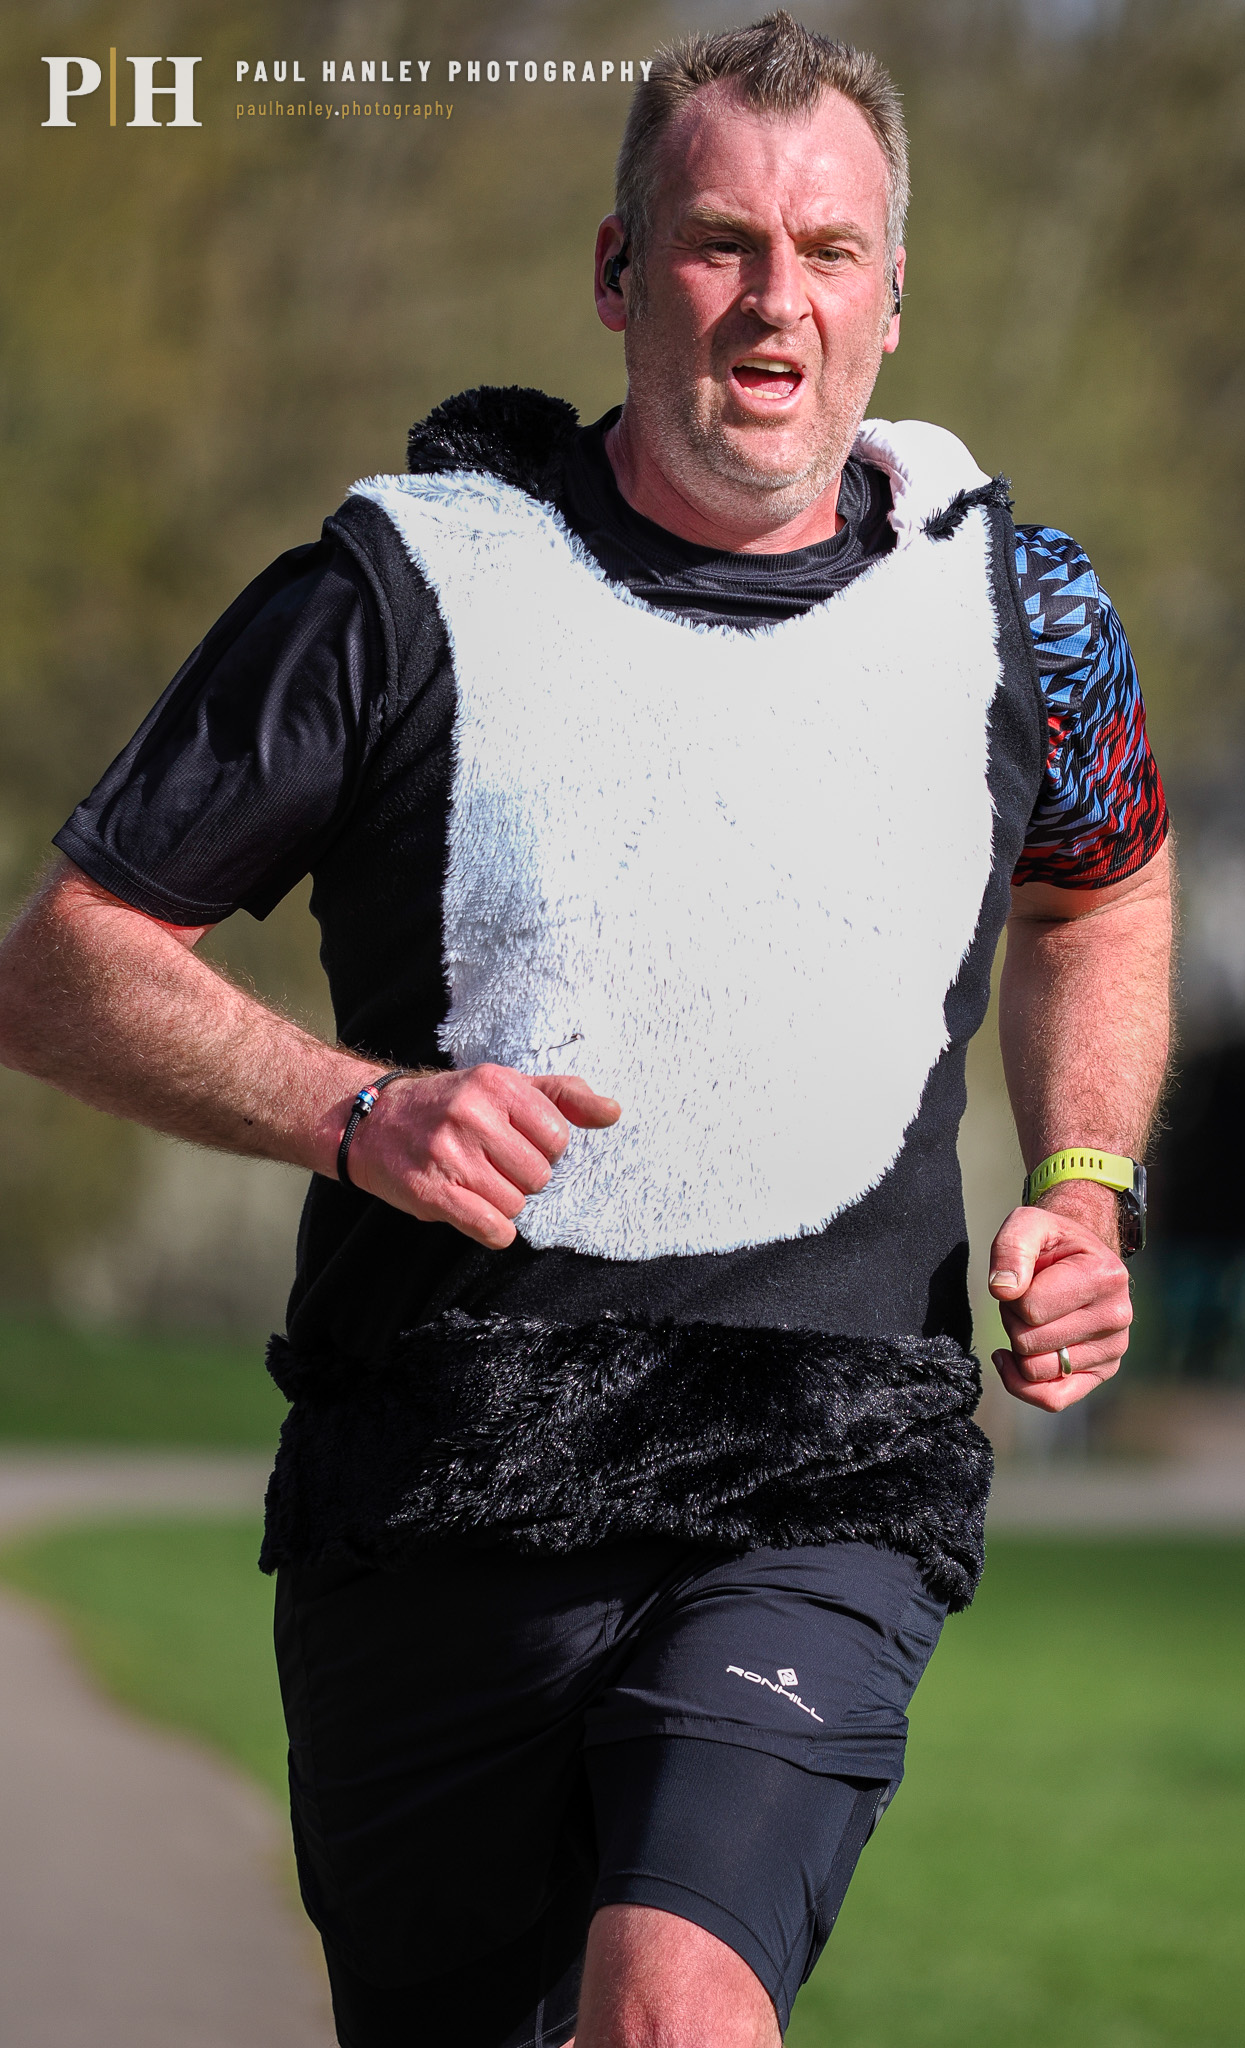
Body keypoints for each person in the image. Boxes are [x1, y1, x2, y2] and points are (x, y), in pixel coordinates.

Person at [0, 14, 1173, 2046]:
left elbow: (1107, 887)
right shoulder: (396, 593)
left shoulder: (1021, 611)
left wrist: (1083, 1181)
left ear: (898, 296)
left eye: (830, 250)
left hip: (824, 1466)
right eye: (722, 243)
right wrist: (354, 1111)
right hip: (435, 1483)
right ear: (619, 274)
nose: (777, 300)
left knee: (674, 2006)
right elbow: (64, 960)